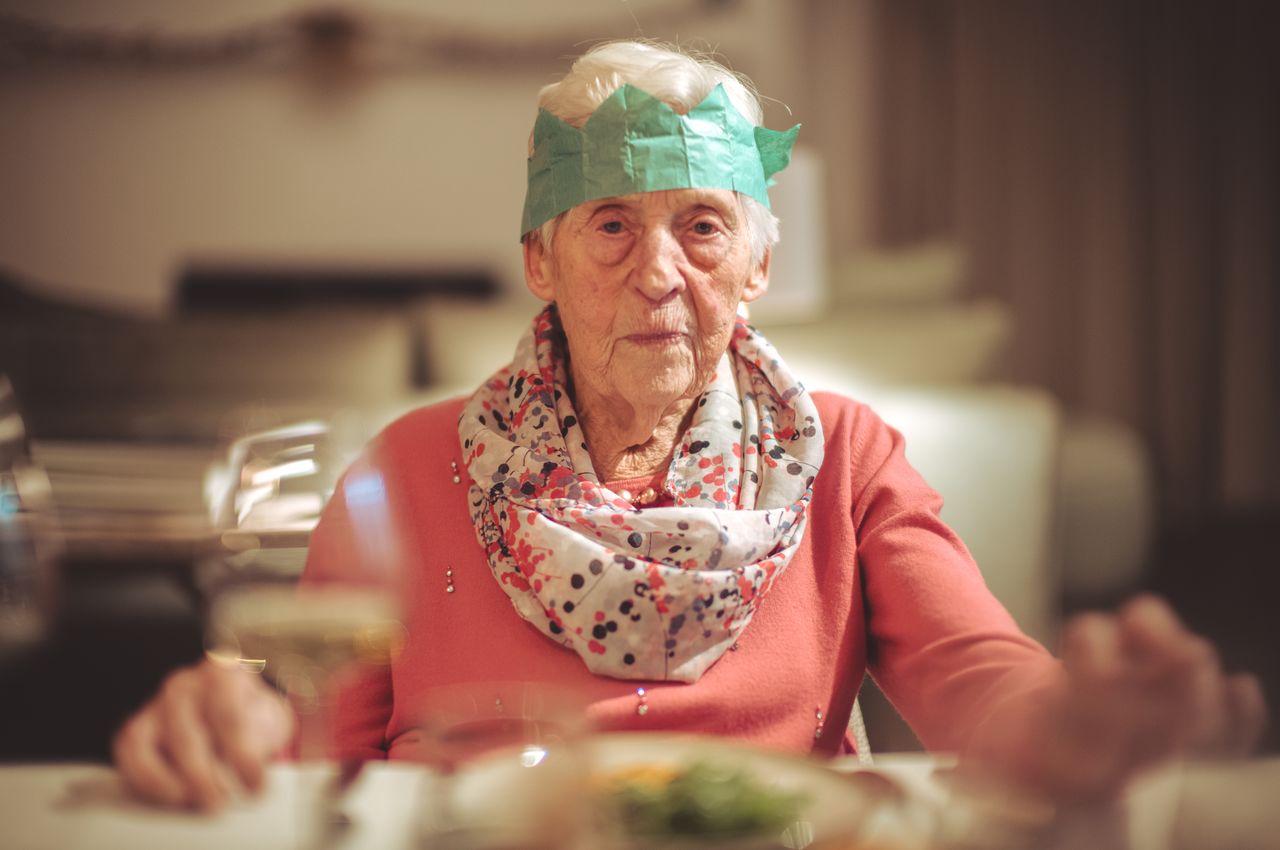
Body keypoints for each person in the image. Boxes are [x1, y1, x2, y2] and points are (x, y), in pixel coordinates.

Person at [112, 40, 1265, 812]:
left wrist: (1072, 719)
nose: (658, 273)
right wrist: (228, 720)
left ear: (754, 262)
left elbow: (978, 672)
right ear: (539, 262)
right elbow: (305, 741)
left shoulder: (845, 457)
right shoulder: (412, 466)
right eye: (610, 225)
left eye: (702, 227)